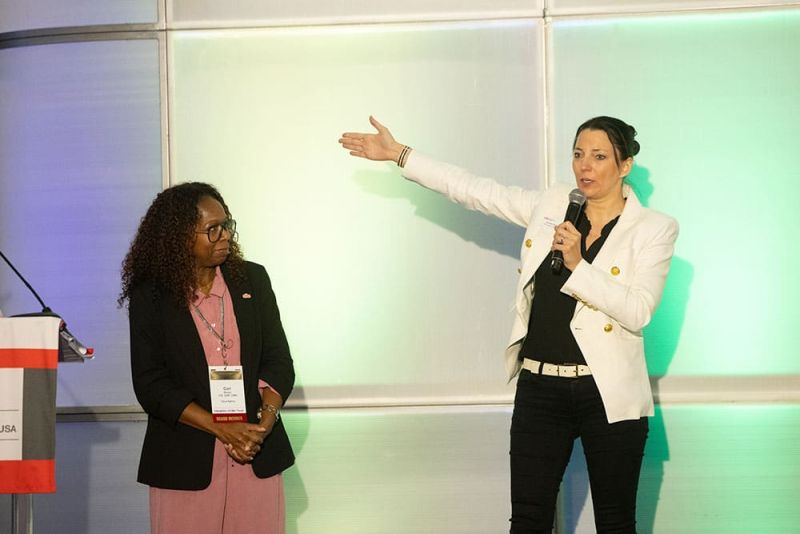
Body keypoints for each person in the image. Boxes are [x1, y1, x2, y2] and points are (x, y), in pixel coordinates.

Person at [339, 116, 678, 533]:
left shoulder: (654, 229)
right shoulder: (555, 204)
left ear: (625, 166)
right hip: (541, 388)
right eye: (577, 154)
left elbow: (638, 310)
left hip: (607, 393)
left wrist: (578, 265)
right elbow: (477, 191)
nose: (584, 166)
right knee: (528, 522)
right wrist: (400, 154)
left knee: (615, 523)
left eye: (599, 156)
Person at [119, 182, 295, 534]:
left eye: (226, 225)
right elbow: (151, 384)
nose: (224, 235)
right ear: (179, 237)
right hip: (184, 461)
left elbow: (278, 361)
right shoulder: (151, 296)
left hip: (255, 451)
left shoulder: (252, 279)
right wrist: (221, 428)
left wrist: (264, 423)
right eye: (212, 229)